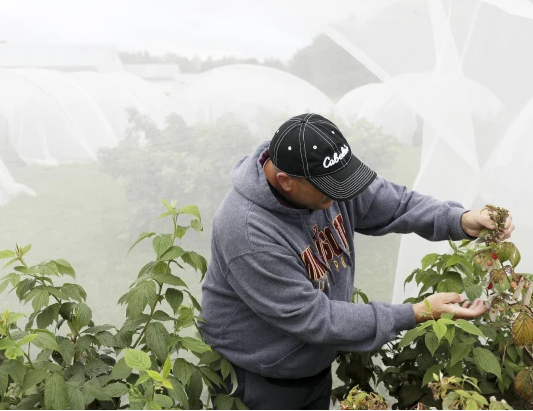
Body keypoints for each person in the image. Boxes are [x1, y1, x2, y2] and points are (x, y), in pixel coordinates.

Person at [200, 113, 515, 410]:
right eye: (329, 191)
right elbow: (316, 318)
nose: (339, 197)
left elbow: (395, 204)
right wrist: (416, 313)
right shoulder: (246, 231)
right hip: (257, 378)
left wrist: (461, 219)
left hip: (310, 363)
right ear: (286, 181)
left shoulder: (324, 182)